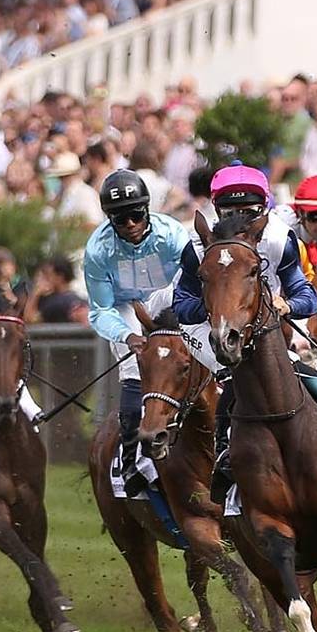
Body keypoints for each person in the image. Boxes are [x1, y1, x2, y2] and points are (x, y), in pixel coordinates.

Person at [173, 165, 317, 498]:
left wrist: (286, 305)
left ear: (263, 207)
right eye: (231, 210)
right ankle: (224, 454)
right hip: (213, 334)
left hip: (270, 333)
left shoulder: (280, 238)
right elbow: (180, 304)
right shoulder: (198, 248)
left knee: (315, 379)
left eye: (248, 210)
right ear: (216, 208)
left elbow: (308, 296)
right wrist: (216, 307)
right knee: (232, 382)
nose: (239, 217)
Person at [82, 169, 193, 488]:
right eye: (120, 219)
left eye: (135, 215)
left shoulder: (172, 234)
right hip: (124, 308)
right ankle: (130, 460)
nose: (130, 224)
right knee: (134, 369)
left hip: (170, 297)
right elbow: (101, 310)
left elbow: (191, 284)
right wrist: (129, 336)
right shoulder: (98, 250)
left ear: (146, 210)